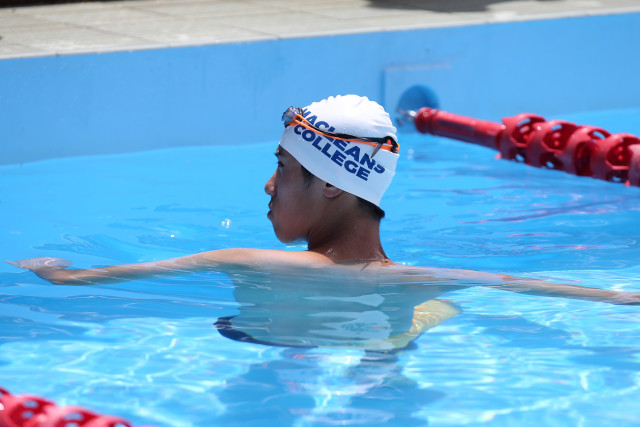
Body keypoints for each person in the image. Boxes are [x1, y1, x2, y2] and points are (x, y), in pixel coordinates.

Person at [7, 95, 639, 349]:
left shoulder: (242, 262)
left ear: (333, 183)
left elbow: (78, 283)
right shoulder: (418, 278)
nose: (268, 185)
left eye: (282, 167)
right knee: (399, 334)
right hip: (385, 323)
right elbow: (525, 285)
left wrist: (50, 272)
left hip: (278, 337)